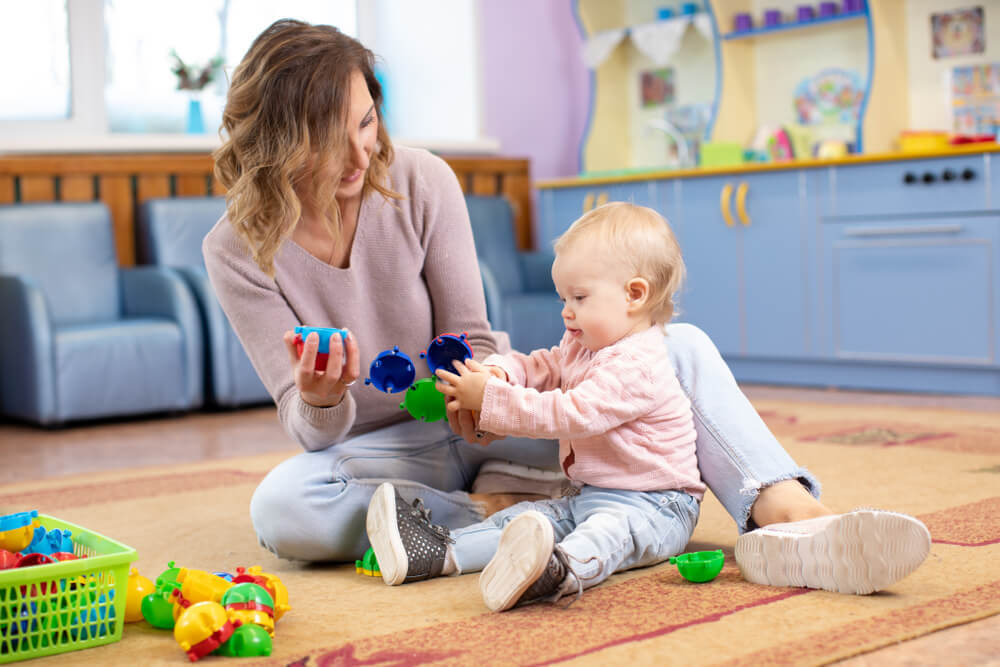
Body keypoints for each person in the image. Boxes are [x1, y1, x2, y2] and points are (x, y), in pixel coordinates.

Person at [203, 18, 930, 596]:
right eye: (333, 141)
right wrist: (322, 398)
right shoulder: (237, 249)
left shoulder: (421, 181)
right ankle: (493, 512)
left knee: (678, 348)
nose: (362, 156)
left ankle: (788, 518)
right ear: (277, 142)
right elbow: (309, 429)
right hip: (390, 454)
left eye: (367, 122)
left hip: (502, 418)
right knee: (284, 508)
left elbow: (475, 336)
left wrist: (490, 394)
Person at [366, 202, 704, 611]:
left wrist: (489, 400)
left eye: (579, 297)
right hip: (591, 493)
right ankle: (440, 552)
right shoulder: (584, 345)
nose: (566, 311)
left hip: (657, 505)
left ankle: (556, 570)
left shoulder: (638, 364)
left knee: (607, 532)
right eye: (563, 297)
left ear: (634, 294)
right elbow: (541, 366)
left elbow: (570, 413)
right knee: (526, 521)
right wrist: (497, 375)